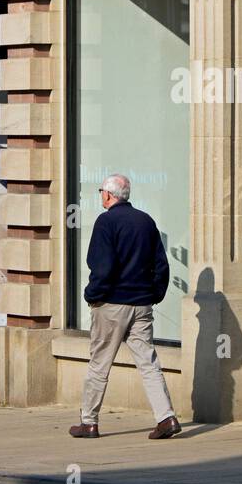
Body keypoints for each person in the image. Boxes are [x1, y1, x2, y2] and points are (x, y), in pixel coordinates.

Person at [70, 174, 180, 440]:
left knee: (99, 363)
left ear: (108, 195)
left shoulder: (106, 222)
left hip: (111, 304)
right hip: (141, 304)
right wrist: (153, 294)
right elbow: (161, 266)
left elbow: (102, 267)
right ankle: (166, 418)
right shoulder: (146, 221)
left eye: (101, 192)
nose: (100, 196)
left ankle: (89, 422)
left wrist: (91, 295)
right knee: (148, 363)